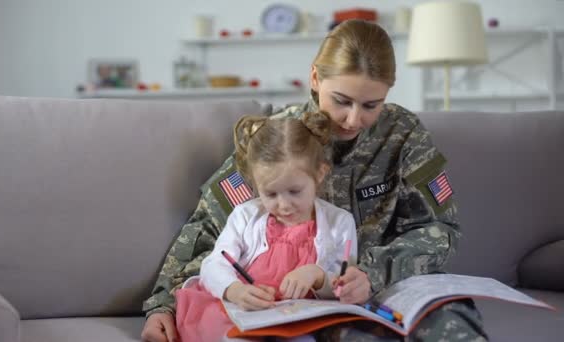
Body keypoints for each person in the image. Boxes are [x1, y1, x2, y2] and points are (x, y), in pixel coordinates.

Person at [141, 19, 488, 342]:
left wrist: (372, 272)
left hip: (389, 281)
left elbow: (441, 229)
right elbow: (209, 227)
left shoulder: (404, 134)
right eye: (342, 101)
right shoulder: (280, 136)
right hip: (307, 299)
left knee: (455, 325)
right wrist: (164, 304)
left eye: (372, 104)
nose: (354, 119)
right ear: (315, 79)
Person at [174, 112, 358, 342]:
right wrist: (235, 290)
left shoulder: (340, 223)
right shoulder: (246, 215)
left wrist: (317, 276)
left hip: (301, 319)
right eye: (270, 193)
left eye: (294, 191)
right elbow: (214, 264)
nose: (283, 205)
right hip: (246, 311)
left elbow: (344, 283)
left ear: (320, 173)